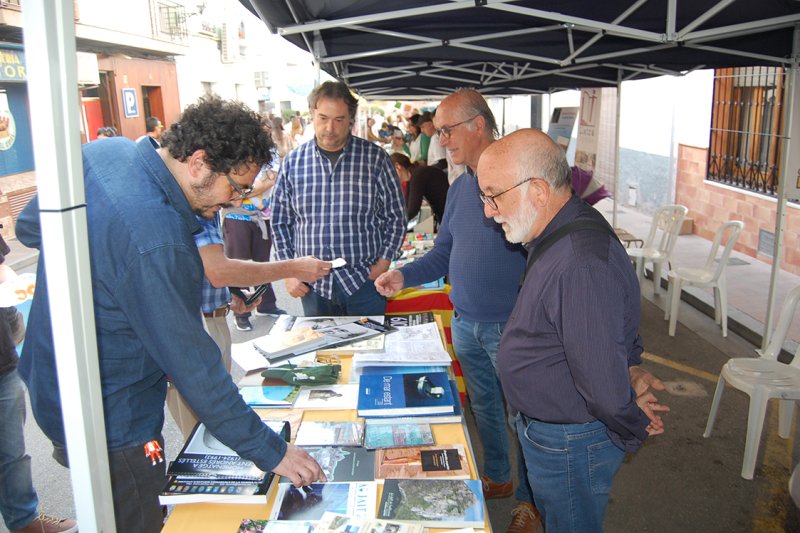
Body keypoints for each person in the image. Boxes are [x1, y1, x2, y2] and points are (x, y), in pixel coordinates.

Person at [16, 96, 326, 532]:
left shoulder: (105, 151)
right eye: (235, 188)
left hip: (53, 388)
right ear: (198, 163)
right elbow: (193, 366)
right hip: (115, 424)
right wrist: (273, 452)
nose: (236, 202)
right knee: (137, 517)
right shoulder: (159, 243)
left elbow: (32, 226)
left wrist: (102, 275)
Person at [476, 128, 668, 532]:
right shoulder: (561, 227)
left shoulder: (578, 262)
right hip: (558, 434)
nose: (488, 211)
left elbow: (601, 384)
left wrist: (632, 419)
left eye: (493, 195)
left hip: (568, 443)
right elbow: (607, 326)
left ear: (538, 192)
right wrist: (630, 370)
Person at [375, 88, 540, 533]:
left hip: (511, 326)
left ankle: (529, 501)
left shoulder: (519, 183)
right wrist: (404, 276)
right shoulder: (463, 186)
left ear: (478, 125)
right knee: (484, 406)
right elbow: (445, 251)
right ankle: (501, 478)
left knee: (522, 417)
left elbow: (543, 258)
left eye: (447, 130)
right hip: (465, 322)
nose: (441, 139)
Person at [271, 80, 406, 317]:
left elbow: (396, 216)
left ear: (351, 120)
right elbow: (280, 222)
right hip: (312, 286)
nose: (329, 128)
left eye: (339, 120)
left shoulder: (375, 159)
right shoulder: (293, 163)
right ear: (312, 114)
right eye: (323, 118)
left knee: (370, 350)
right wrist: (288, 272)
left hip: (365, 282)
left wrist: (384, 262)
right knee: (321, 353)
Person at [0, 260, 78, 533]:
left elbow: (3, 270)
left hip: (2, 361)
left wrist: (14, 289)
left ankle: (24, 520)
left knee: (11, 453)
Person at [223, 159, 285, 331]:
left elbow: (270, 179)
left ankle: (266, 304)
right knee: (239, 265)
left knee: (263, 264)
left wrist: (241, 191)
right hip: (236, 216)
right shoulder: (231, 153)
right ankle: (241, 313)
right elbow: (228, 190)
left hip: (263, 217)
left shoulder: (268, 156)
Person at [390, 152, 449, 226]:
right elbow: (406, 205)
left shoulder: (418, 175)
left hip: (450, 214)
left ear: (397, 166)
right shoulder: (412, 176)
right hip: (444, 214)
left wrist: (394, 224)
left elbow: (413, 210)